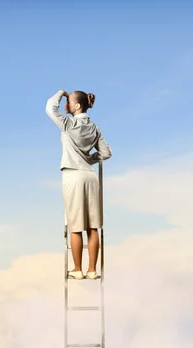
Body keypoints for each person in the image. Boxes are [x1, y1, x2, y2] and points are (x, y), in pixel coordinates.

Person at [45, 89, 112, 280]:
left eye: (68, 102)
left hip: (72, 176)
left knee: (75, 225)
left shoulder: (68, 124)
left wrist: (60, 92)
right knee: (93, 226)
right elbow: (106, 153)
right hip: (90, 177)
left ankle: (77, 269)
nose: (65, 105)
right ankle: (92, 270)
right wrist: (89, 159)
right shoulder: (94, 127)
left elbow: (50, 107)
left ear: (77, 106)